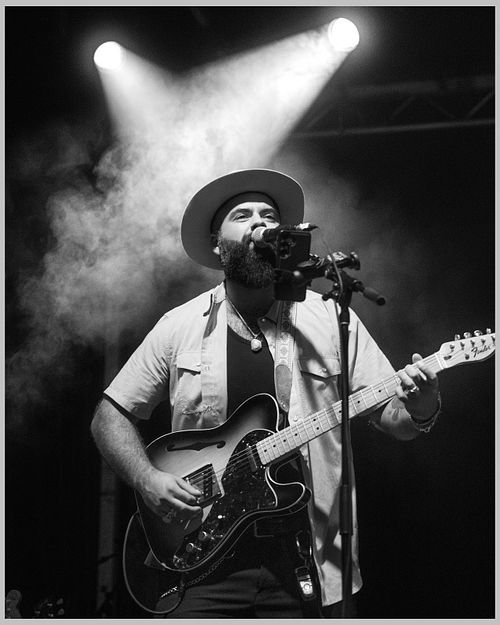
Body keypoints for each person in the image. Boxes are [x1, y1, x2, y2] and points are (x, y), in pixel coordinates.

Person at [90, 168, 441, 618]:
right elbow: (109, 416)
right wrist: (146, 479)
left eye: (270, 216)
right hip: (202, 563)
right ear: (218, 243)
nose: (260, 222)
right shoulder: (179, 326)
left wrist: (422, 405)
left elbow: (396, 419)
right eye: (243, 215)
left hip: (308, 561)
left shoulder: (329, 319)